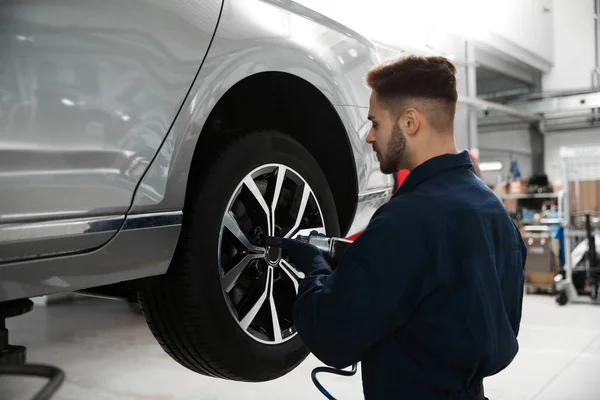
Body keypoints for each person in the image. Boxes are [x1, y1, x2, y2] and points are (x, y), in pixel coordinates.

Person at [281, 54, 526, 400]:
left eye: (376, 123)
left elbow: (332, 337)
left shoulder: (404, 220)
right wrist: (362, 262)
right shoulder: (496, 215)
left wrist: (314, 272)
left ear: (410, 122)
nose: (369, 137)